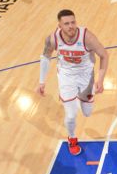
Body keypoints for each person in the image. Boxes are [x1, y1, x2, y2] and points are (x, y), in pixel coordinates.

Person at [36, 9, 109, 156]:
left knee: (87, 113)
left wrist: (100, 79)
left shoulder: (87, 37)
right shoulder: (53, 39)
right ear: (59, 26)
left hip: (86, 77)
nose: (71, 26)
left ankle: (76, 99)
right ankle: (72, 138)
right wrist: (41, 82)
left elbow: (104, 55)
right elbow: (45, 57)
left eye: (73, 22)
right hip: (66, 77)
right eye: (66, 23)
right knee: (71, 115)